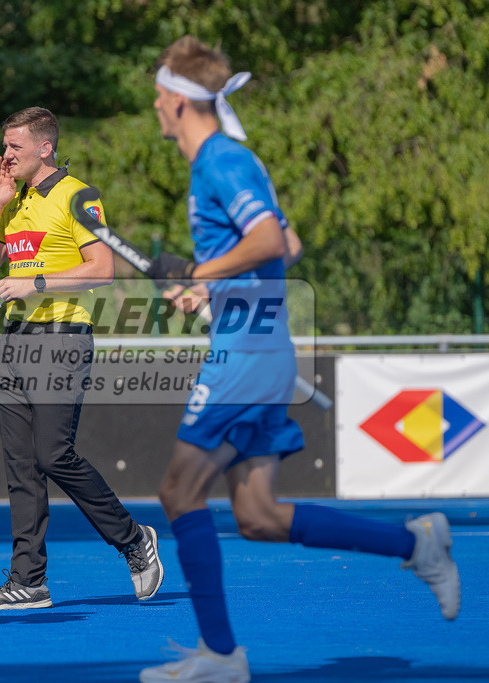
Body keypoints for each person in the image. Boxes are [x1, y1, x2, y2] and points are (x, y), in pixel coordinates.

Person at [136, 37, 460, 682]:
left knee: (178, 491)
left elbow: (268, 240)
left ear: (177, 101)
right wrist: (211, 286)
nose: (154, 106)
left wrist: (202, 272)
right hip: (257, 348)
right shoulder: (226, 161)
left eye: (157, 95)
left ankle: (221, 656)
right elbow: (288, 241)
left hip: (246, 356)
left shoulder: (220, 161)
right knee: (258, 516)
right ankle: (417, 543)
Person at [0, 106, 164, 610]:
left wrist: (35, 283)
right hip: (14, 341)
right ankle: (28, 580)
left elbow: (103, 268)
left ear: (45, 148)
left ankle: (134, 540)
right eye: (5, 146)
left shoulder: (79, 195)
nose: (6, 155)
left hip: (61, 340)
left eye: (15, 147)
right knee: (20, 466)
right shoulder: (14, 201)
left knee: (53, 455)